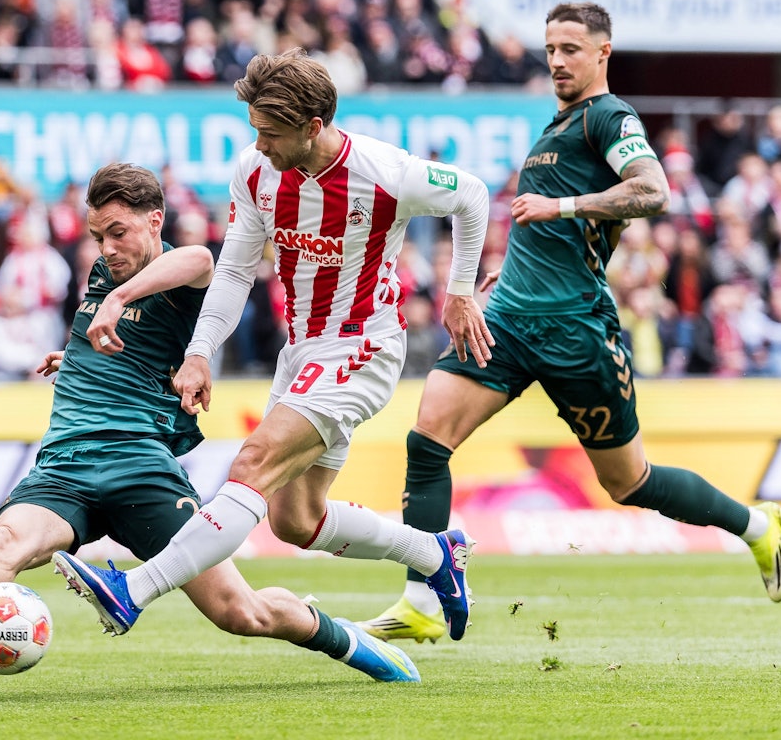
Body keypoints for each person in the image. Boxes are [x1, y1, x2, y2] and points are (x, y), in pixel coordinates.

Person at [0, 162, 421, 684]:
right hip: (64, 464)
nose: (107, 249)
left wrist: (120, 297)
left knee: (239, 611)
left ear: (154, 220)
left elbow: (201, 259)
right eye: (98, 237)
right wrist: (80, 355)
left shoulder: (184, 281)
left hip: (139, 466)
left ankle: (348, 641)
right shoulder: (104, 275)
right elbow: (126, 340)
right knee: (5, 549)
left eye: (118, 232)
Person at [356, 2, 781, 645]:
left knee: (629, 482)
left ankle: (757, 527)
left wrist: (566, 204)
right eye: (551, 48)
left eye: (570, 48)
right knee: (428, 439)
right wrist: (496, 281)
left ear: (602, 53)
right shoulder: (556, 128)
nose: (557, 60)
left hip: (575, 330)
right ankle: (423, 595)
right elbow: (544, 239)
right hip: (508, 319)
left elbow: (653, 190)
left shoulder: (608, 117)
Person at [53, 48, 493, 644]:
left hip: (363, 347)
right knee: (296, 520)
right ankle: (438, 555)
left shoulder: (386, 172)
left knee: (251, 466)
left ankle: (134, 590)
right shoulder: (255, 172)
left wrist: (459, 292)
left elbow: (471, 195)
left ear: (313, 127)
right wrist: (201, 351)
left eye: (270, 133)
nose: (258, 144)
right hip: (303, 352)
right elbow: (233, 270)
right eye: (254, 130)